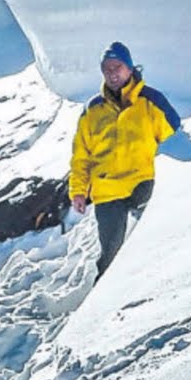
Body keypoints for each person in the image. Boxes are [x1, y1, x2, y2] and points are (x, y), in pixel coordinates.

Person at [69, 41, 181, 278]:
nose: (112, 73)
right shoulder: (93, 109)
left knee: (156, 240)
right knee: (112, 255)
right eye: (107, 68)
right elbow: (81, 156)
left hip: (144, 183)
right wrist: (78, 191)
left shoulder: (150, 100)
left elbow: (174, 137)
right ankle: (101, 301)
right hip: (108, 190)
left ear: (130, 68)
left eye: (117, 66)